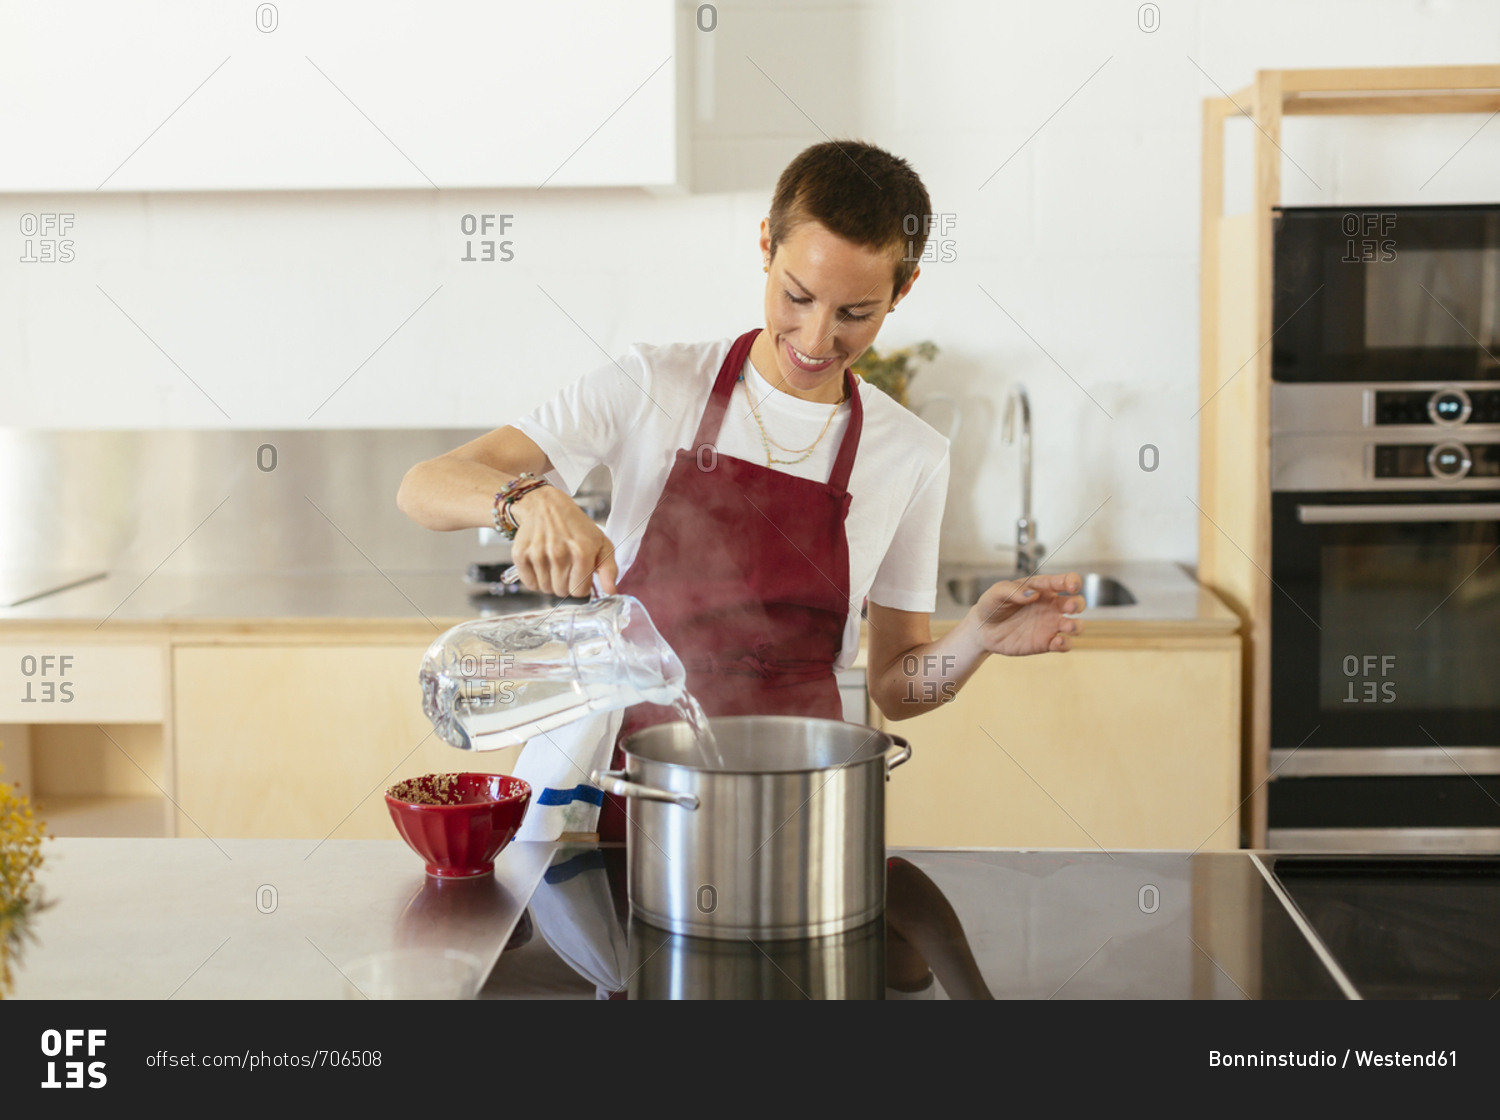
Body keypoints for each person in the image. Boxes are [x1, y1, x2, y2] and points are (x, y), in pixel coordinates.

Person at [398, 140, 1084, 840]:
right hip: (632, 800)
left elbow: (897, 691)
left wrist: (975, 642)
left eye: (856, 313)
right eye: (797, 296)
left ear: (901, 293)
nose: (817, 338)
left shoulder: (910, 454)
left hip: (799, 822)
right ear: (766, 245)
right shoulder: (656, 385)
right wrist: (530, 499)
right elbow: (423, 487)